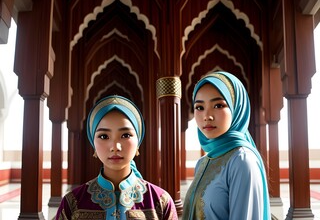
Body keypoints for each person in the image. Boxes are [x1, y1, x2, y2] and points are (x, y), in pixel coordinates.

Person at [55, 95, 178, 219]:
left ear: (138, 142)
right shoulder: (72, 203)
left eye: (125, 135)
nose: (115, 147)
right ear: (93, 144)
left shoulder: (160, 201)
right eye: (104, 136)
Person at [182, 71, 270, 220]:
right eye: (199, 107)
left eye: (218, 105)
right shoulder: (203, 163)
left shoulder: (242, 160)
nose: (207, 116)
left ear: (237, 108)